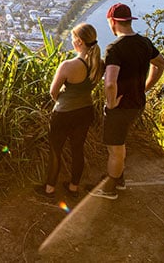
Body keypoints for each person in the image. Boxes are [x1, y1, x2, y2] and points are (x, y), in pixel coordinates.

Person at [90, 3, 164, 200]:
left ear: (112, 21)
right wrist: (145, 87)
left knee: (115, 148)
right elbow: (160, 64)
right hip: (138, 103)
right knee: (120, 143)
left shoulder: (115, 48)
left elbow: (110, 83)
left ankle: (109, 190)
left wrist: (110, 103)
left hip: (120, 106)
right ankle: (119, 179)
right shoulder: (144, 43)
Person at [35, 23, 104, 199]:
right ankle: (73, 187)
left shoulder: (68, 65)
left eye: (73, 38)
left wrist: (62, 102)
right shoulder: (99, 64)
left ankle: (50, 188)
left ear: (79, 41)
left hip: (64, 113)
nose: (72, 41)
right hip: (85, 111)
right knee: (77, 149)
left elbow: (53, 91)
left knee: (56, 150)